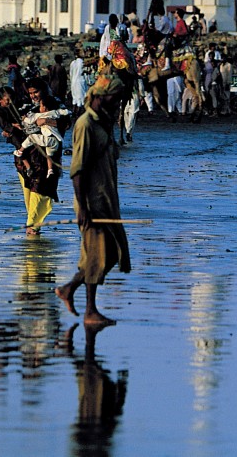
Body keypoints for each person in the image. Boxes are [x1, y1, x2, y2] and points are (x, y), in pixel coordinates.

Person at [55, 41, 136, 326]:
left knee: (109, 252)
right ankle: (90, 310)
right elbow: (77, 169)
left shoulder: (103, 125)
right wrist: (83, 208)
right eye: (113, 100)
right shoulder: (86, 125)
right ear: (100, 97)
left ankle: (68, 290)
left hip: (106, 198)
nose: (116, 105)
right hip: (91, 200)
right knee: (96, 255)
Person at [15, 79, 72, 234]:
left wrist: (46, 120)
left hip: (48, 152)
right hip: (27, 154)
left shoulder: (57, 105)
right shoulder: (26, 106)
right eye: (31, 93)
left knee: (41, 187)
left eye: (36, 92)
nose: (34, 96)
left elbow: (66, 123)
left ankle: (32, 225)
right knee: (29, 189)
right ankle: (33, 223)